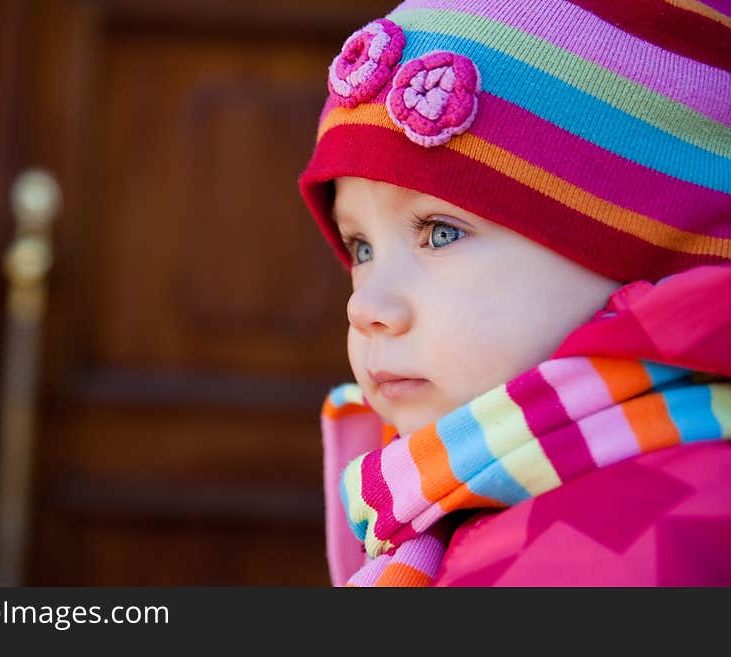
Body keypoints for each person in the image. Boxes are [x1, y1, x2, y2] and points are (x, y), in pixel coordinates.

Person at [297, 0, 731, 586]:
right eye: (361, 247)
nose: (366, 307)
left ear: (643, 253)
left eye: (440, 232)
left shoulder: (627, 544)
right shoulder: (465, 480)